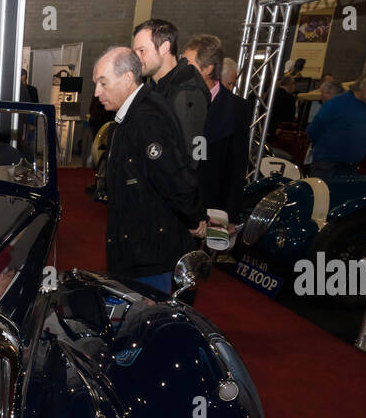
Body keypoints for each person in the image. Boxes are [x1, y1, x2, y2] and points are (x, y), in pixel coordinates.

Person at [91, 46, 206, 295]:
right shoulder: (131, 115)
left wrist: (194, 218)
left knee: (147, 319)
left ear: (128, 79)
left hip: (149, 255)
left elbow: (175, 177)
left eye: (103, 82)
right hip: (137, 247)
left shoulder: (146, 119)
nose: (97, 92)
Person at [183, 34, 249, 228]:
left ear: (209, 68)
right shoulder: (177, 99)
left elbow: (237, 166)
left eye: (189, 65)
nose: (182, 71)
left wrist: (230, 216)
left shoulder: (236, 108)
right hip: (178, 206)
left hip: (211, 207)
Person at [132, 19, 210, 162]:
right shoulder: (157, 87)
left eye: (142, 51)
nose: (137, 58)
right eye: (135, 52)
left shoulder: (186, 93)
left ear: (164, 47)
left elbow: (194, 159)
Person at [306, 65, 366, 180]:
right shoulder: (336, 103)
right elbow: (313, 131)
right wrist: (328, 151)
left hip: (351, 168)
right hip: (326, 167)